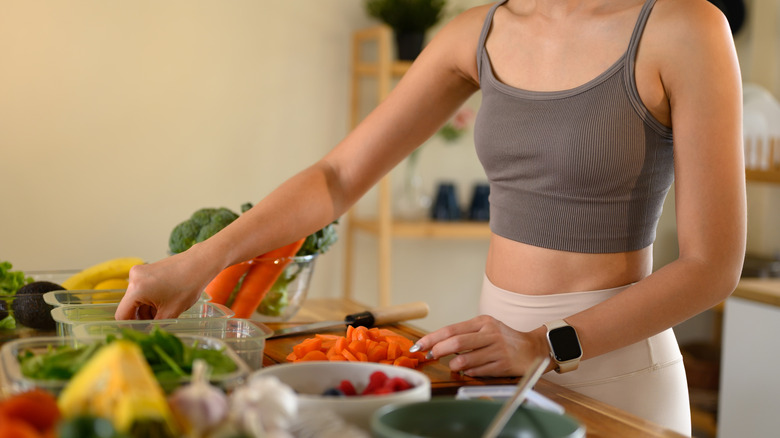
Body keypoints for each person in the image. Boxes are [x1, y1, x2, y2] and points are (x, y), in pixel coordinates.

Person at [117, 0, 745, 434]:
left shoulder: (685, 26)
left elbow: (712, 266)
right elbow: (337, 178)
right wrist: (195, 263)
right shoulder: (479, 31)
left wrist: (543, 344)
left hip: (614, 368)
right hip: (492, 362)